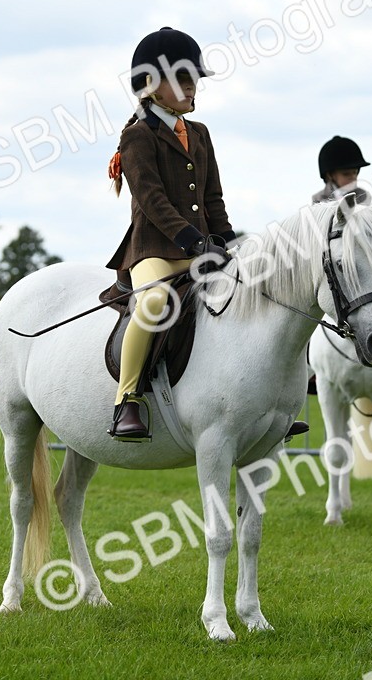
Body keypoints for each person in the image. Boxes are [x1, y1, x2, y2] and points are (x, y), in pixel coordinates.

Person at [105, 27, 235, 441]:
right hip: (155, 250)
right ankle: (127, 399)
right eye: (181, 79)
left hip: (199, 247)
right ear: (150, 85)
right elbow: (152, 200)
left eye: (192, 78)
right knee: (155, 300)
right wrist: (193, 241)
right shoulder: (137, 136)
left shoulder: (199, 133)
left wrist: (229, 241)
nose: (191, 87)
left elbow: (212, 197)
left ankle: (257, 400)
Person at [311, 136, 372, 205]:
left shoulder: (363, 196)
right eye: (346, 174)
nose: (353, 177)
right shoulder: (319, 199)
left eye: (355, 172)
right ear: (330, 175)